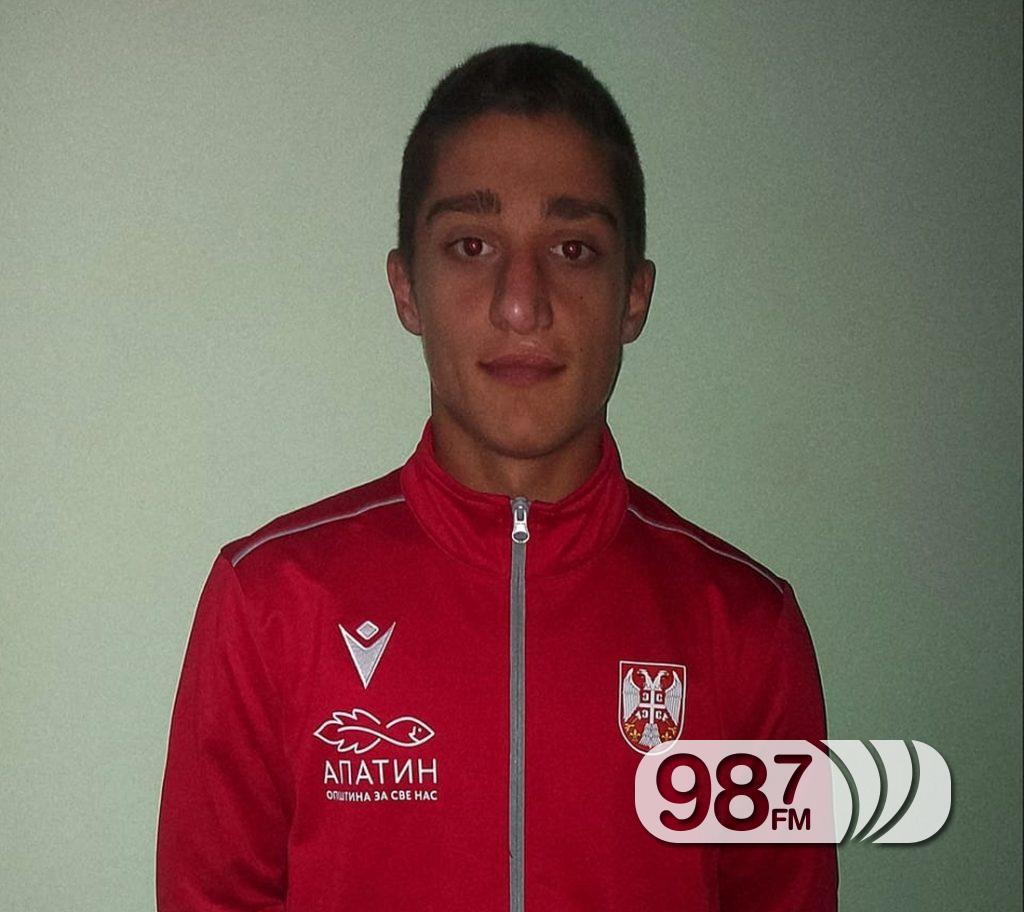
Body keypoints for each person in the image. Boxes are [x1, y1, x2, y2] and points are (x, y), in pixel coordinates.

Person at [156, 42, 838, 911]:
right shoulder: (269, 604)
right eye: (472, 245)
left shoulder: (744, 629)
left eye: (573, 248)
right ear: (407, 288)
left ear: (634, 296)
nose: (522, 303)